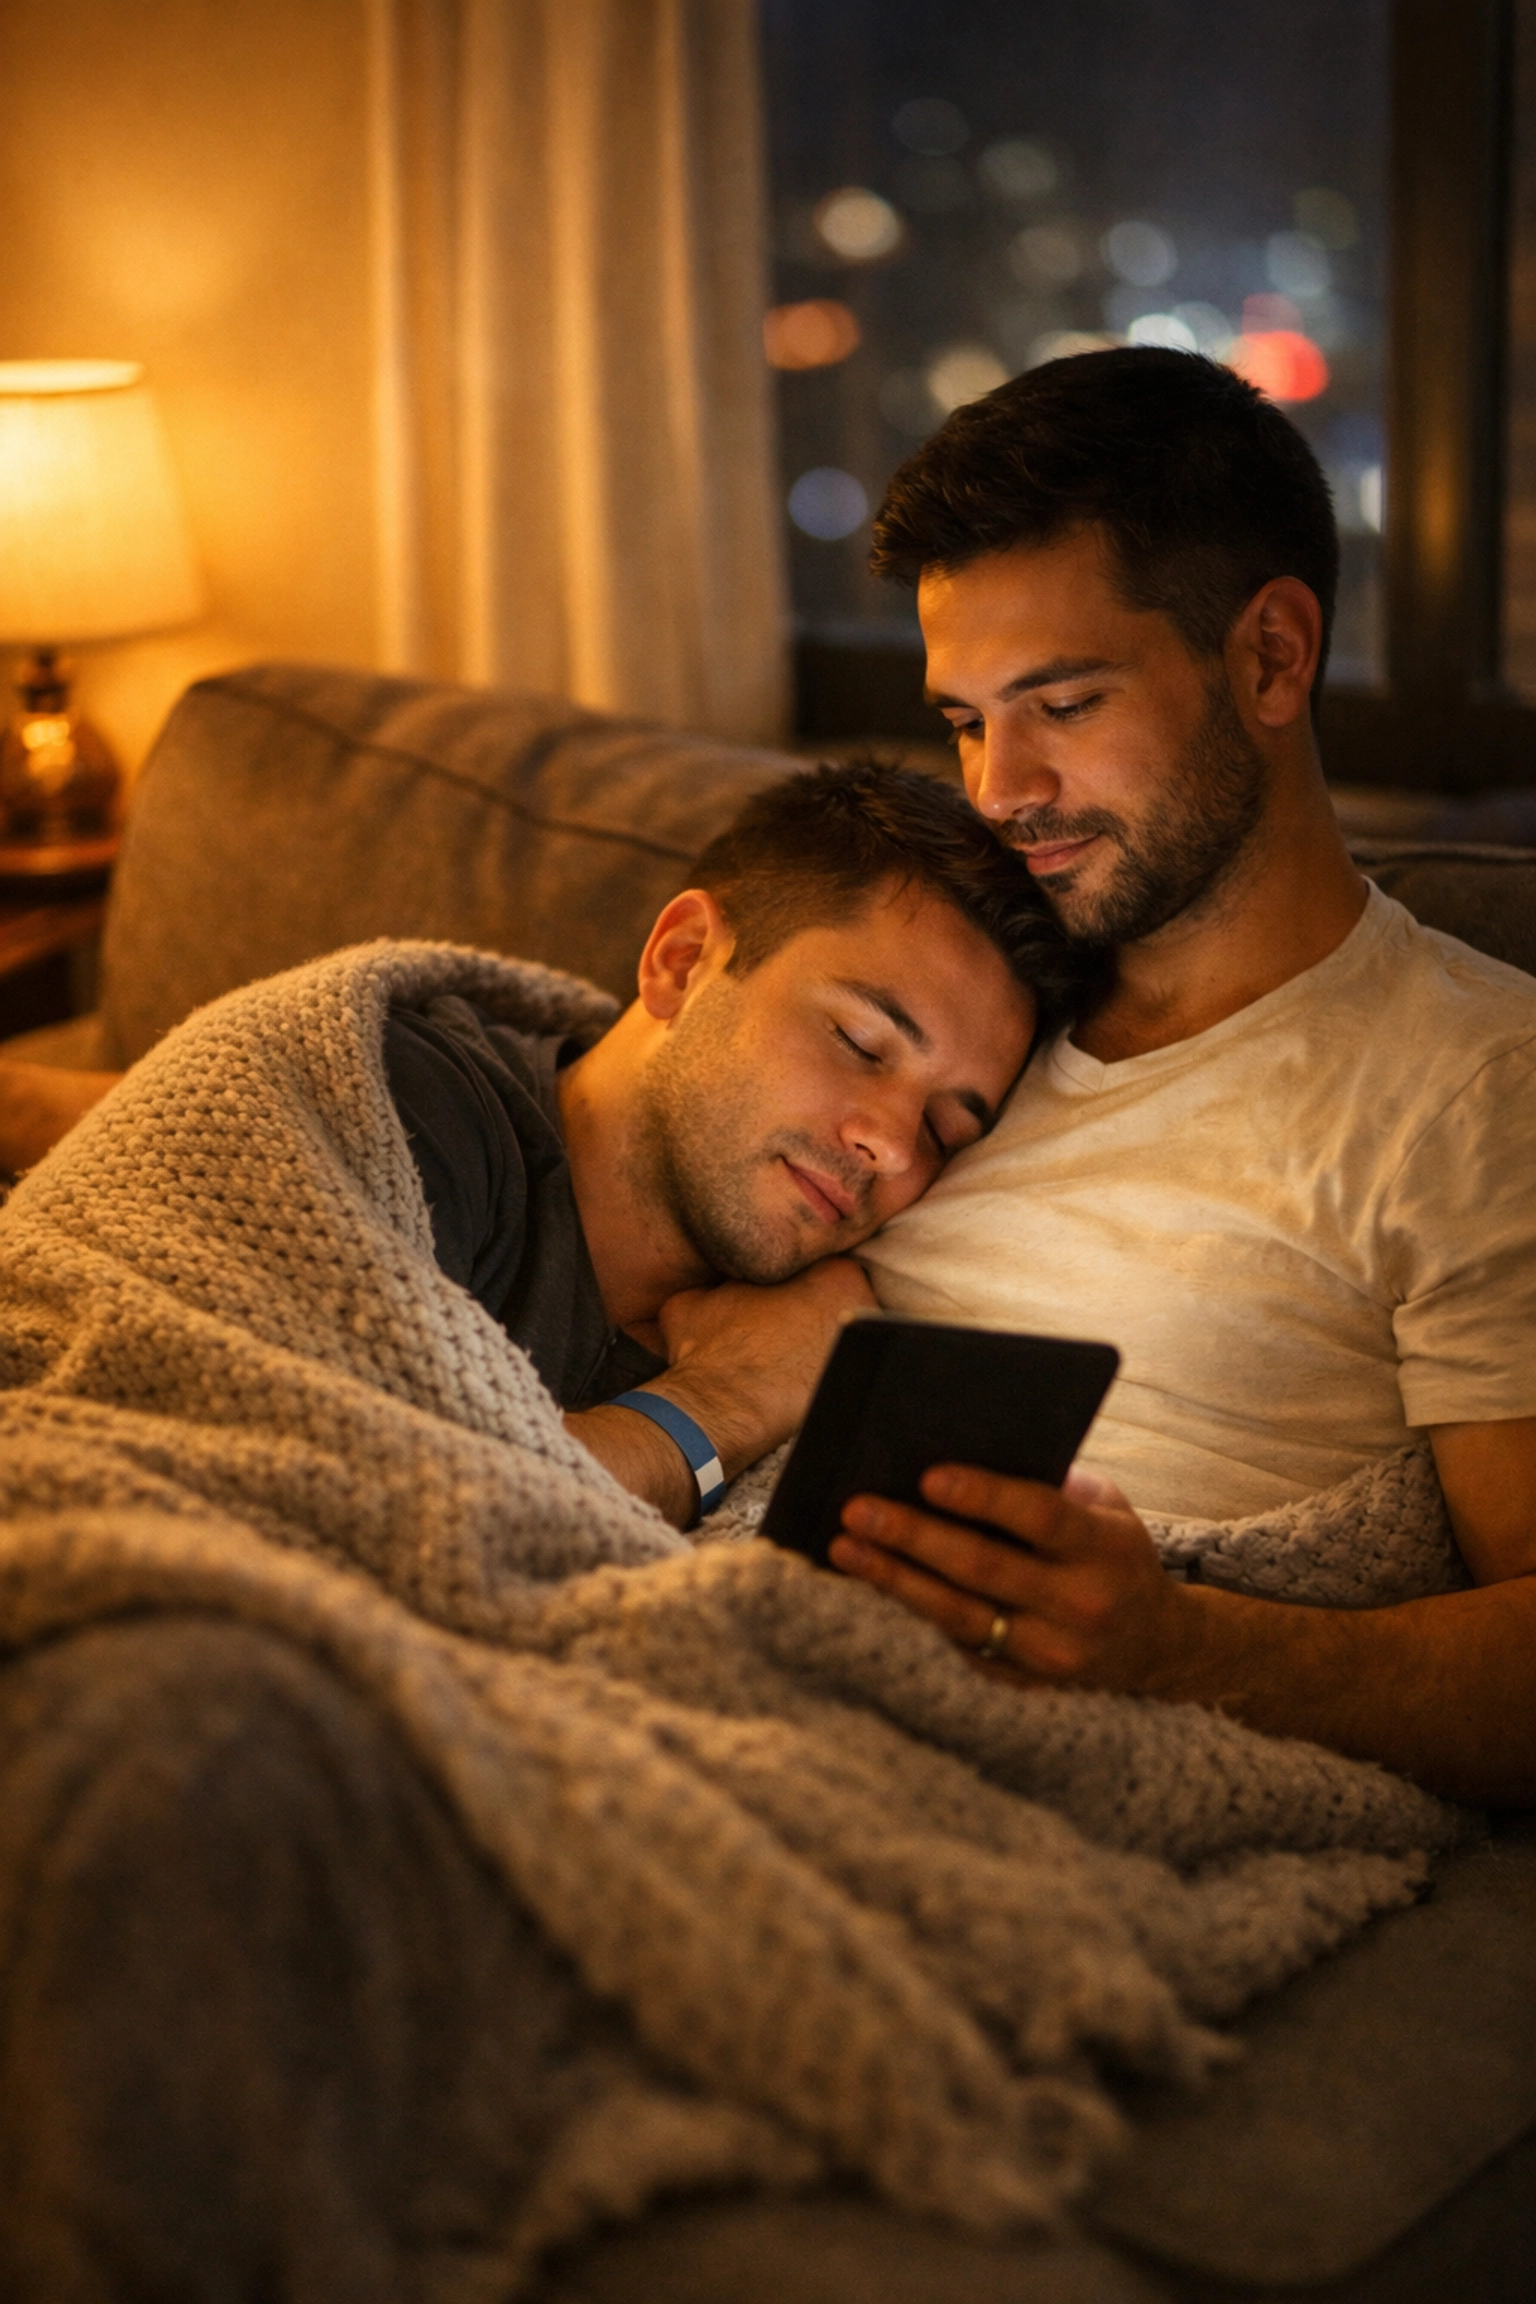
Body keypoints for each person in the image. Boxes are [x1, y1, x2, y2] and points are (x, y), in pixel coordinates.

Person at [827, 347, 1536, 1809]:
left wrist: (1175, 1645)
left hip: (1016, 1781)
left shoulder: (1476, 1084)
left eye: (1064, 705)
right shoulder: (946, 1004)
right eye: (965, 721)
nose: (1000, 792)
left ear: (1272, 656)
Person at [0, 761, 1074, 1526]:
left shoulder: (830, 1326)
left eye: (946, 1127)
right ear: (684, 960)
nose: (890, 1147)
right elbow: (339, 1515)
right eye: (859, 1040)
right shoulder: (396, 1101)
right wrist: (716, 1409)